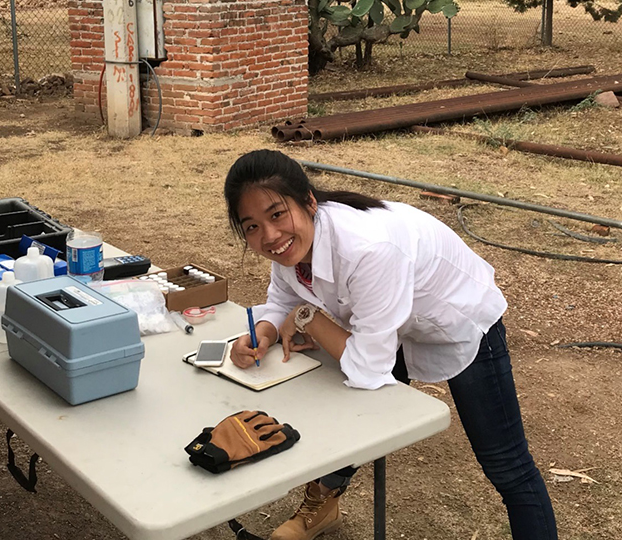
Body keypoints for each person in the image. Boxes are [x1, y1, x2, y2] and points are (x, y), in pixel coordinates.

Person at [224, 149, 557, 540]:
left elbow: (365, 367)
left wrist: (308, 320)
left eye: (276, 214)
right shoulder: (291, 245)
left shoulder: (368, 248)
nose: (269, 236)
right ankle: (322, 505)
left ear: (309, 201)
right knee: (352, 415)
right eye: (252, 227)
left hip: (458, 321)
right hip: (386, 325)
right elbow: (283, 297)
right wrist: (262, 331)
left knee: (507, 464)